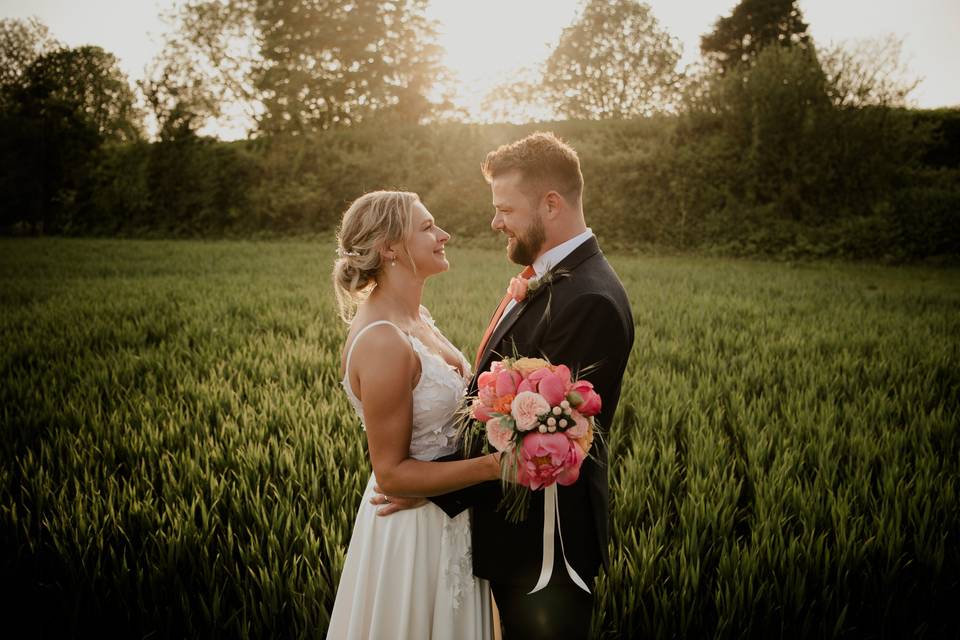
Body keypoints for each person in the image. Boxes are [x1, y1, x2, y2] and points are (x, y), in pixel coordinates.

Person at [375, 132, 635, 639]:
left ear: (551, 204)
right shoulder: (548, 278)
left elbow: (542, 442)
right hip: (512, 539)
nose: (495, 222)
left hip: (544, 549)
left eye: (505, 209)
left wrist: (427, 486)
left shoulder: (589, 299)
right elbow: (498, 408)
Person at [327, 190, 499, 639]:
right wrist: (496, 467)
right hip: (414, 533)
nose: (443, 235)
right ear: (389, 248)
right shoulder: (383, 339)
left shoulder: (417, 316)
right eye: (426, 228)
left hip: (449, 514)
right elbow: (392, 475)